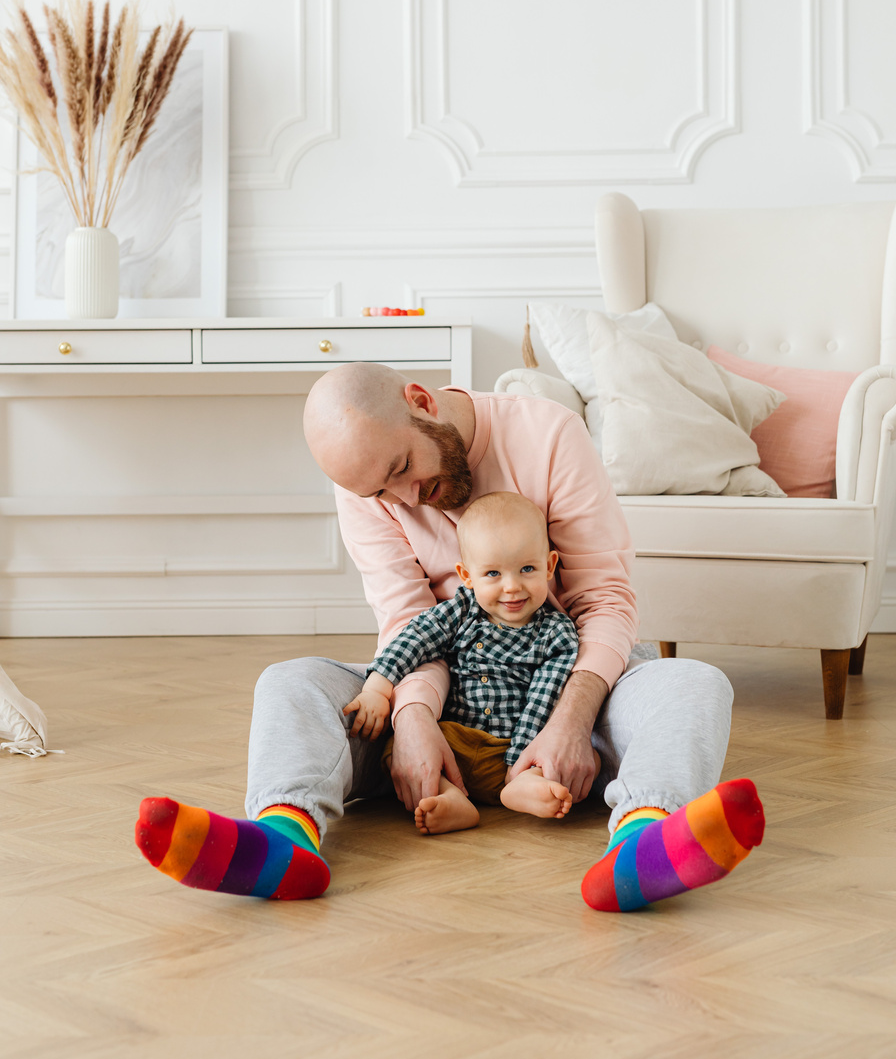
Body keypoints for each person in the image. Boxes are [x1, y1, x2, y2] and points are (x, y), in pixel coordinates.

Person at [135, 363, 764, 910]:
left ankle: (641, 847)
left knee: (694, 682)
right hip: (440, 698)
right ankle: (284, 838)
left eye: (404, 468)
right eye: (381, 492)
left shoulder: (546, 433)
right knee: (291, 682)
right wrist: (412, 720)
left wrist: (571, 722)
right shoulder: (368, 486)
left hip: (564, 684)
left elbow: (602, 598)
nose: (406, 500)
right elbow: (410, 623)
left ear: (422, 401)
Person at [344, 490, 600, 834]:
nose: (512, 587)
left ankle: (522, 788)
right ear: (467, 576)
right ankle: (451, 797)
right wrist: (378, 686)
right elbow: (416, 637)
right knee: (398, 741)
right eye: (493, 573)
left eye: (527, 569)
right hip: (454, 745)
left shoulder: (557, 633)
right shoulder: (462, 610)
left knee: (582, 757)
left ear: (550, 566)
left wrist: (517, 766)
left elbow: (543, 700)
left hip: (516, 747)